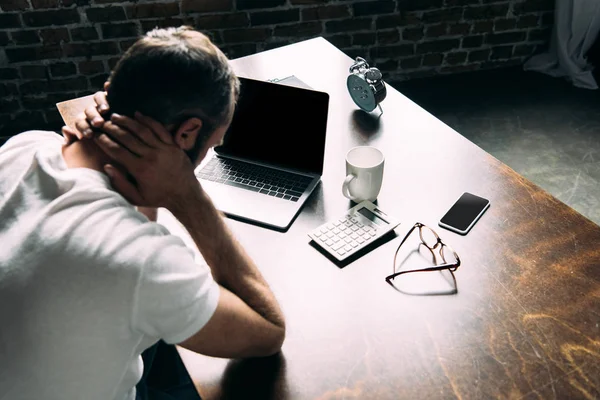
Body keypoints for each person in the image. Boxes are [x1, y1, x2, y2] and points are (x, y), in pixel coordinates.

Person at [0, 26, 285, 400]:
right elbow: (268, 331)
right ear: (187, 133)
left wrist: (150, 191)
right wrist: (187, 194)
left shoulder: (23, 147)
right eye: (213, 144)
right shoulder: (141, 260)